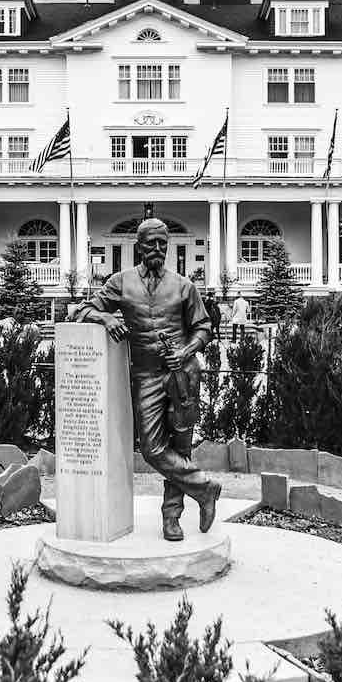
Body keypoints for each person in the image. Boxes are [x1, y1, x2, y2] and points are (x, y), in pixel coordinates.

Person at [70, 217, 223, 541]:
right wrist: (106, 317)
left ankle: (172, 518)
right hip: (146, 375)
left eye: (162, 244)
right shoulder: (121, 282)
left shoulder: (184, 286)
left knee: (181, 447)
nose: (157, 250)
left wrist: (186, 351)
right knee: (153, 448)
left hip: (182, 375)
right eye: (151, 244)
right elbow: (81, 310)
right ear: (138, 246)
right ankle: (205, 488)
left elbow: (205, 328)